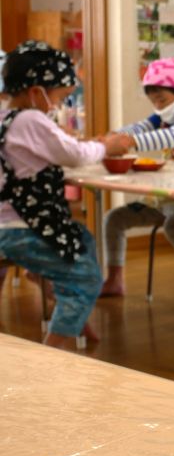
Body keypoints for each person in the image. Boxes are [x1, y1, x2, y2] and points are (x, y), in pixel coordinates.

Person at [0, 40, 130, 349]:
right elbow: (72, 155)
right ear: (36, 92)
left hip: (9, 227)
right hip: (25, 229)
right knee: (85, 279)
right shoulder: (31, 118)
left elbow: (51, 149)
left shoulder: (7, 118)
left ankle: (76, 320)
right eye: (59, 98)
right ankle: (53, 350)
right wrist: (107, 147)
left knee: (81, 237)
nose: (58, 106)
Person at [100, 57, 174, 303]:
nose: (158, 106)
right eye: (153, 101)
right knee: (114, 219)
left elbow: (173, 137)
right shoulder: (161, 117)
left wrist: (128, 143)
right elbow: (139, 127)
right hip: (165, 198)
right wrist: (115, 136)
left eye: (162, 100)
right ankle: (115, 279)